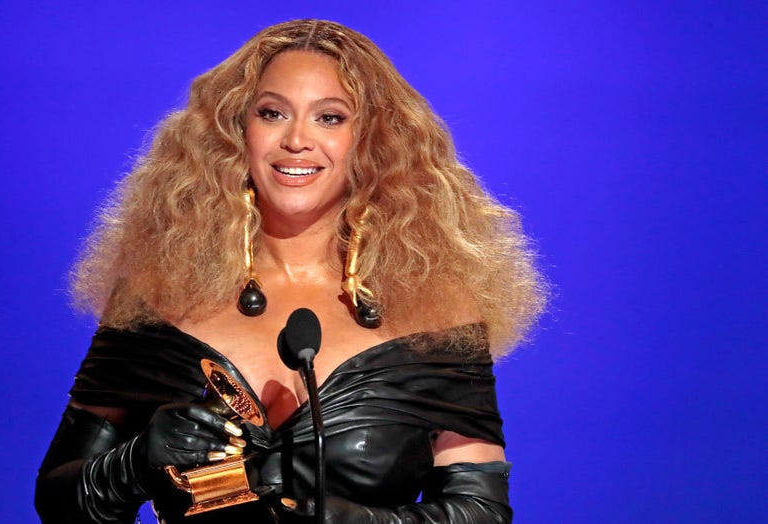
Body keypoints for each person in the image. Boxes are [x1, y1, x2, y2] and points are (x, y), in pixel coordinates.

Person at [35, 19, 546, 524]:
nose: (297, 139)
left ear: (372, 140)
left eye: (330, 118)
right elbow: (58, 500)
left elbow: (481, 511)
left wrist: (365, 522)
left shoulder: (439, 309)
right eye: (273, 113)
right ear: (238, 131)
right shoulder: (158, 294)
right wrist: (133, 464)